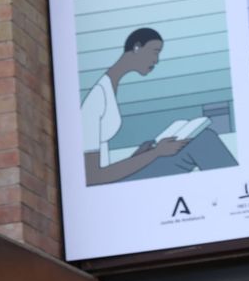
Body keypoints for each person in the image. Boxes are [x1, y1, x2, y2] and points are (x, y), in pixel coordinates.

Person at [81, 28, 238, 186]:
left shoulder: (108, 88)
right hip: (111, 187)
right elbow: (93, 177)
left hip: (115, 180)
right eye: (154, 52)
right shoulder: (96, 98)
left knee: (200, 139)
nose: (156, 60)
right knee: (203, 141)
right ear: (137, 48)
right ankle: (235, 186)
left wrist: (138, 155)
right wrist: (156, 153)